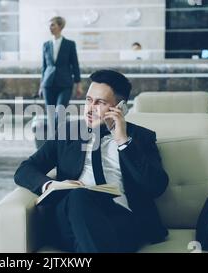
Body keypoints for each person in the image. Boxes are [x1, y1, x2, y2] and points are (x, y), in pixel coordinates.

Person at [15, 70, 169, 253]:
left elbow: (156, 186)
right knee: (80, 195)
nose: (90, 108)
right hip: (72, 216)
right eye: (88, 100)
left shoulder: (140, 137)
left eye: (100, 103)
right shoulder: (68, 132)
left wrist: (122, 140)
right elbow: (24, 170)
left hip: (121, 220)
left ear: (119, 107)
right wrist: (50, 185)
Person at [38, 16, 82, 123]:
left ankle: (60, 138)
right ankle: (53, 138)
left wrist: (78, 85)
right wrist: (41, 85)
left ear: (60, 26)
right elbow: (44, 67)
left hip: (65, 84)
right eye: (49, 25)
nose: (50, 27)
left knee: (60, 113)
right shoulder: (46, 45)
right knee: (51, 115)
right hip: (48, 84)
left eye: (53, 25)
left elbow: (75, 64)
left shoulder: (70, 44)